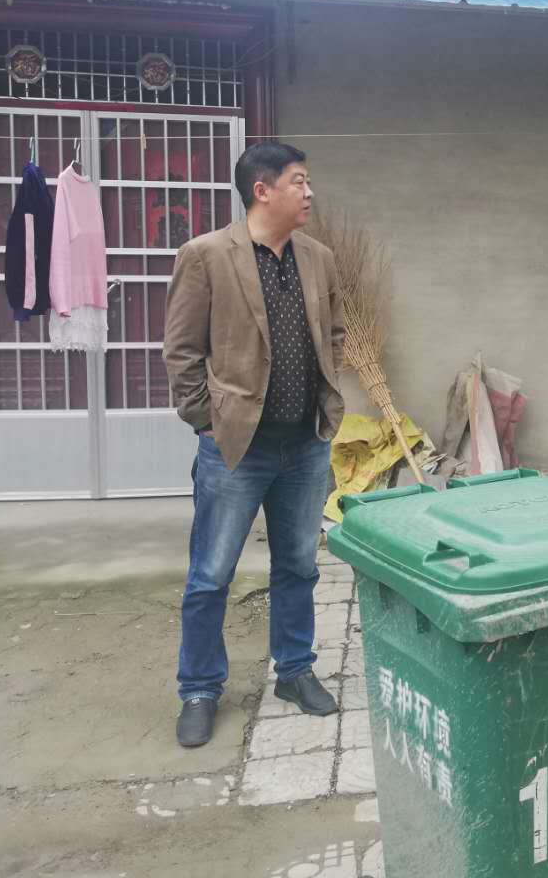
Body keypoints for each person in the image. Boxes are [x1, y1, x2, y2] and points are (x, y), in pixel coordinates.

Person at [163, 141, 346, 747]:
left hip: (305, 444)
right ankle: (199, 689)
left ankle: (294, 671)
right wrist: (206, 421)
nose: (309, 192)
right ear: (262, 190)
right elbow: (182, 350)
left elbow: (334, 331)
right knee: (211, 574)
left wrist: (327, 397)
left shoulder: (317, 258)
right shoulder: (206, 255)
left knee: (298, 565)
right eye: (299, 181)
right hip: (236, 448)